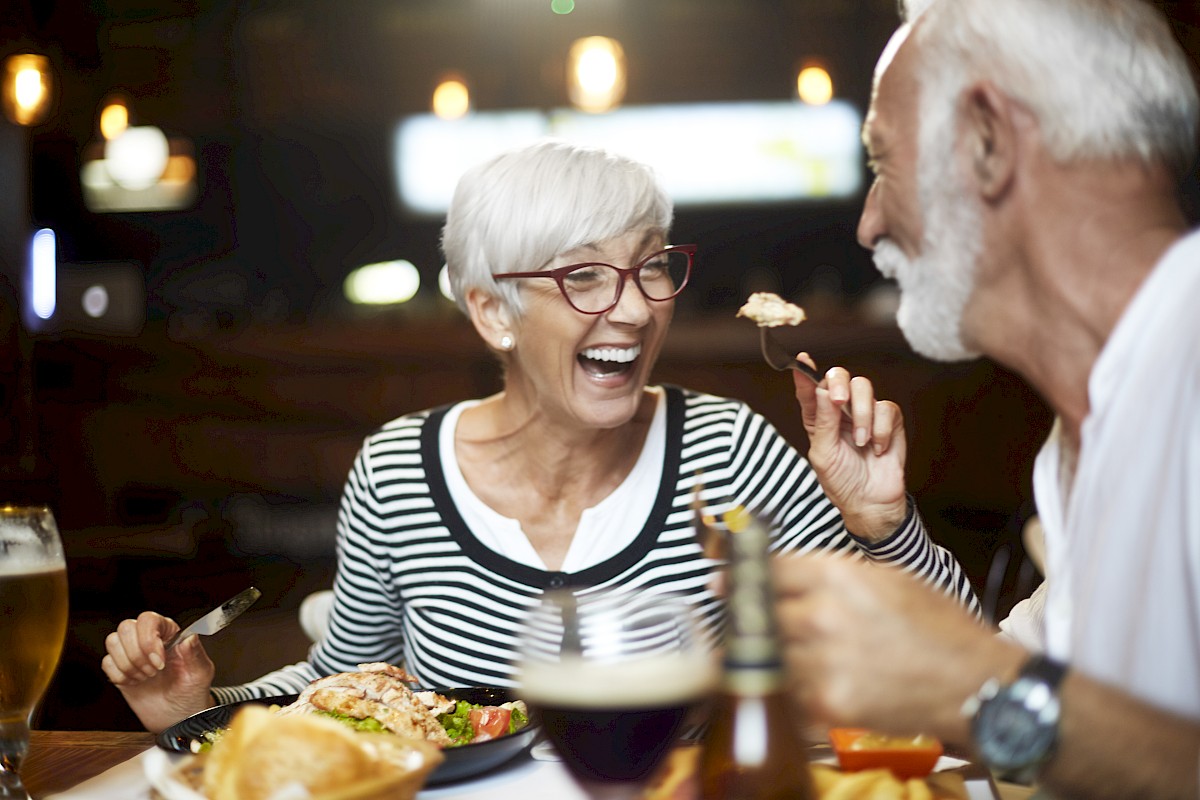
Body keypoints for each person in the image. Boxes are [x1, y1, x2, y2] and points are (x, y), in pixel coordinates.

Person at [101, 139, 976, 734]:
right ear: (493, 310)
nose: (634, 309)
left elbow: (969, 671)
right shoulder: (399, 471)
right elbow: (337, 693)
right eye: (586, 276)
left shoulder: (729, 451)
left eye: (651, 266)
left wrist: (883, 526)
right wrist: (197, 704)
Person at [776, 0, 1200, 796]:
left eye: (882, 163)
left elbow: (991, 695)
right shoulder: (1085, 431)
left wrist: (977, 685)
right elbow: (1019, 720)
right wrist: (889, 534)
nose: (867, 225)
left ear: (988, 141)